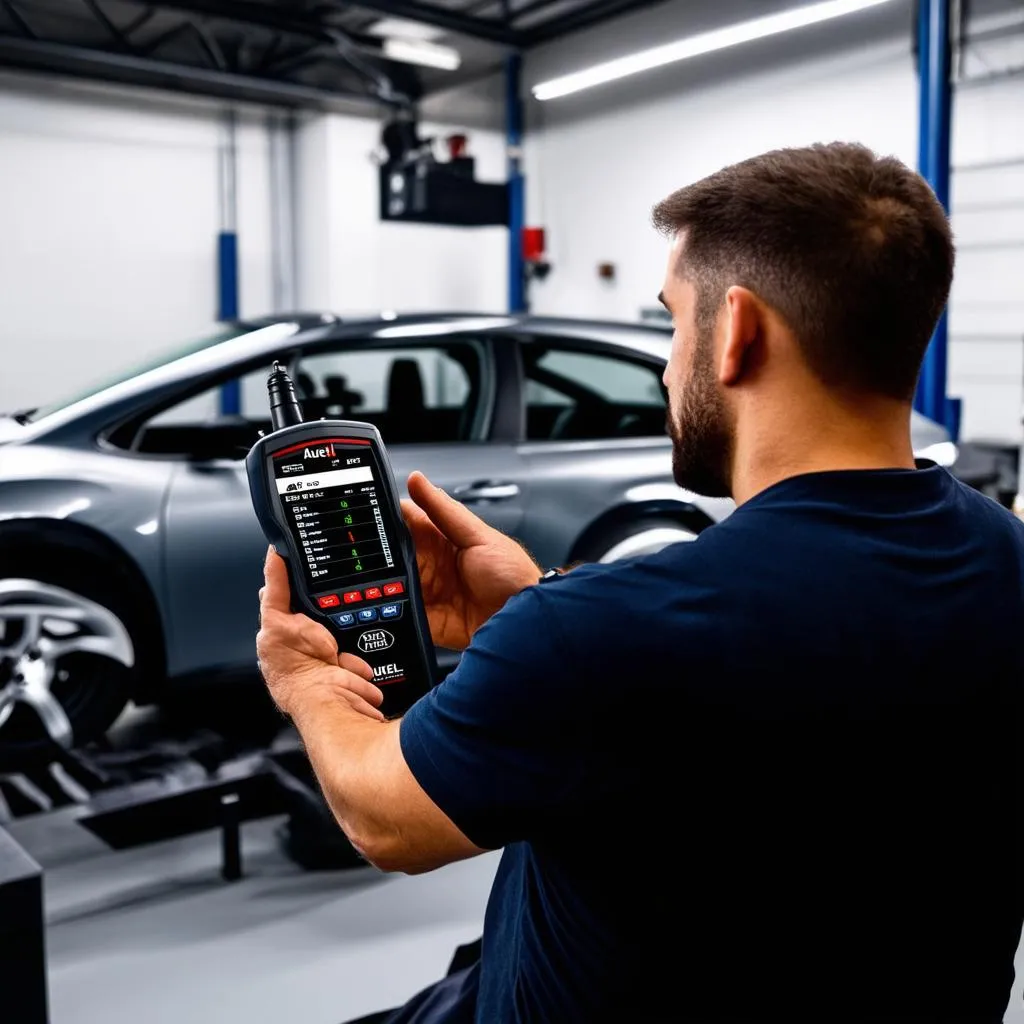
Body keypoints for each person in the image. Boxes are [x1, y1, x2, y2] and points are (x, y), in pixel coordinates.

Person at [256, 141, 1024, 1023]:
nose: (666, 366)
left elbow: (383, 817)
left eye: (672, 320)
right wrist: (541, 596)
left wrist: (308, 680)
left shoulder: (601, 636)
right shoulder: (1009, 562)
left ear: (737, 331)